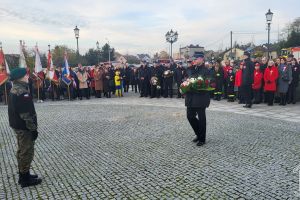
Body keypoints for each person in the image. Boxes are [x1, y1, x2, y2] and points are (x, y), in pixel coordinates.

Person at [8, 68, 42, 188]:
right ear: (20, 77)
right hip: (24, 127)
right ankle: (24, 179)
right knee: (26, 151)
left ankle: (24, 173)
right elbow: (25, 114)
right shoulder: (22, 92)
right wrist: (33, 129)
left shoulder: (15, 88)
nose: (28, 76)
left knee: (22, 150)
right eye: (26, 75)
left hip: (18, 125)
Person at [185, 57, 210, 147]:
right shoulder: (190, 69)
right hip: (190, 97)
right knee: (190, 116)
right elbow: (187, 78)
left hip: (200, 97)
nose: (195, 60)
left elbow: (207, 82)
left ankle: (202, 138)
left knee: (201, 118)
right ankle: (198, 133)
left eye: (197, 59)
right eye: (194, 59)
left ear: (202, 60)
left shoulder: (205, 70)